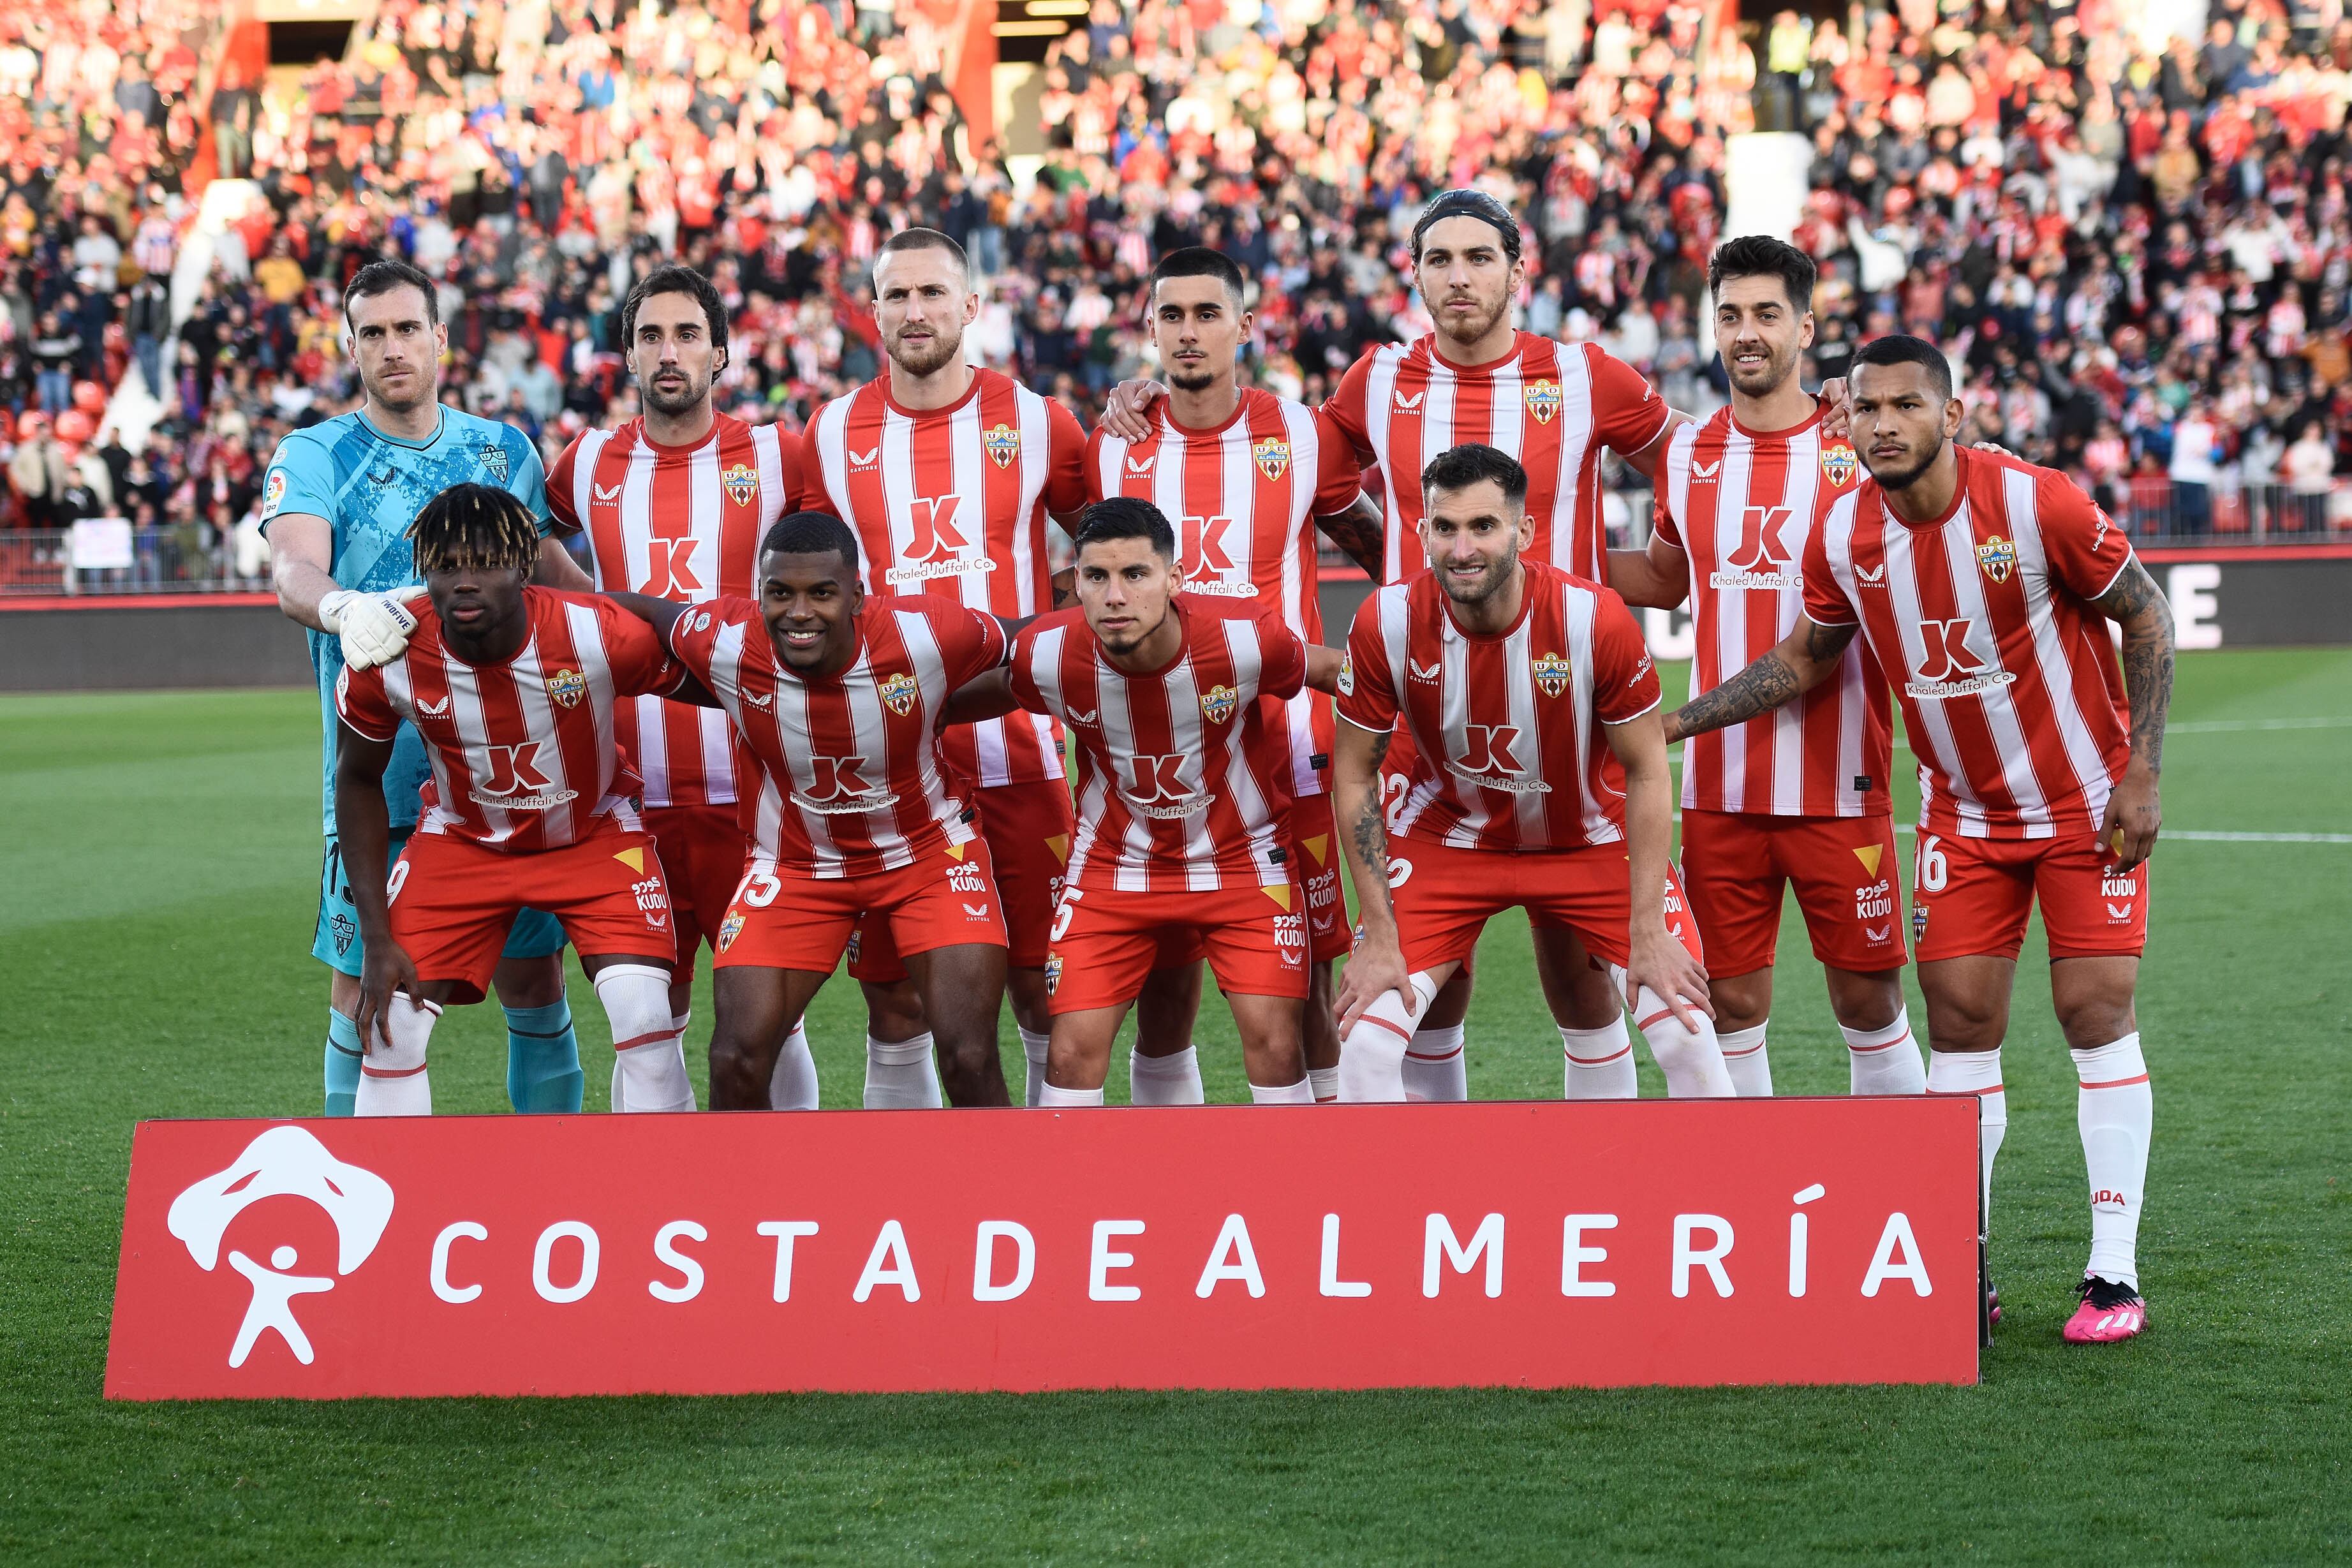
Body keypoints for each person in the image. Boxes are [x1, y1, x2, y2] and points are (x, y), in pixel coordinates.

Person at [1106, 188, 1690, 1101]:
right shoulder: (1375, 383)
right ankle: (1430, 1201)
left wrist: (1628, 572)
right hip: (1426, 732)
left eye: (1478, 257)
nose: (1458, 278)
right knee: (1431, 991)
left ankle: (1600, 1198)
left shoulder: (1584, 377)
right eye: (1438, 260)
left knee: (1585, 988)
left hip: (1569, 733)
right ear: (1413, 274)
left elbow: (1703, 470)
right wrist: (1155, 392)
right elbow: (1306, 478)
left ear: (1516, 269)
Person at [1663, 333, 2175, 1344]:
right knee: (1958, 1026)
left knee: (2091, 1009)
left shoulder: (2037, 503)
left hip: (2080, 806)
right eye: (1865, 408)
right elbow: (1803, 658)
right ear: (1843, 423)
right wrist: (1677, 721)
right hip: (1963, 819)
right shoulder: (1844, 535)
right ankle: (1962, 1265)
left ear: (1952, 416)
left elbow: (2145, 615)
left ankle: (2110, 1273)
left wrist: (2142, 768)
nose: (1883, 423)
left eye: (1905, 405)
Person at [262, 258, 596, 1118]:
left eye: (407, 328)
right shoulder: (316, 452)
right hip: (377, 774)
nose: (391, 347)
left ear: (440, 339)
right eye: (371, 333)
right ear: (350, 346)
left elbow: (564, 586)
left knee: (534, 977)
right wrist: (340, 605)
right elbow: (292, 567)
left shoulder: (504, 451)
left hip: (508, 773)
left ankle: (546, 1186)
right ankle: (359, 1202)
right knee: (362, 992)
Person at [1604, 235, 1925, 1099]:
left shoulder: (1854, 444)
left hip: (1837, 775)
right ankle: (1754, 1201)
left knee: (1865, 1001)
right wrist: (1562, 559)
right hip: (1718, 788)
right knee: (1731, 1002)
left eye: (1765, 315)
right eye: (1730, 315)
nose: (1746, 333)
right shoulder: (1687, 450)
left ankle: (1890, 1197)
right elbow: (1668, 578)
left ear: (1804, 327)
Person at [1331, 443, 1729, 1102]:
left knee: (1686, 1031)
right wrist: (1376, 932)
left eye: (1483, 527)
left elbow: (1648, 772)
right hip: (1446, 841)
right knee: (1367, 1047)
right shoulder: (1386, 621)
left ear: (1524, 531)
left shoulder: (1593, 618)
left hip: (1589, 839)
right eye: (1445, 527)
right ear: (1422, 530)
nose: (1462, 549)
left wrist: (1649, 932)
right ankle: (1413, 1205)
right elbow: (1354, 780)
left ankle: (1710, 1202)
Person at [802, 227, 1091, 1107]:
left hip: (1020, 751)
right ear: (874, 310)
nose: (915, 310)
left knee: (1043, 989)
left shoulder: (1039, 421)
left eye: (933, 293)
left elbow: (1105, 553)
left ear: (971, 306)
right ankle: (915, 1203)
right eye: (897, 294)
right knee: (894, 1001)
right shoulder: (832, 430)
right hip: (892, 764)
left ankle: (1050, 1196)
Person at [1083, 246, 1370, 1104]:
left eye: (1208, 313)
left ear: (1244, 326)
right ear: (1149, 330)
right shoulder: (1110, 446)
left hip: (1289, 757)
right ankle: (1181, 1184)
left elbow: (1382, 550)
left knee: (1317, 970)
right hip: (1150, 769)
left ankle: (1324, 1162)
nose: (1188, 331)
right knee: (1164, 993)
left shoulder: (1303, 434)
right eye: (1170, 315)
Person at [612, 511, 1018, 1109]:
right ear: (759, 594)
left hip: (931, 858)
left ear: (857, 595)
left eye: (821, 593)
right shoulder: (722, 636)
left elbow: (1034, 640)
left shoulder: (927, 631)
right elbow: (639, 610)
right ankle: (756, 1202)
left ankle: (994, 1201)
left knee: (969, 1056)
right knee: (735, 1060)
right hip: (796, 867)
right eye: (780, 593)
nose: (799, 613)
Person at [952, 497, 1341, 1105]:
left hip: (1241, 863)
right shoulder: (1046, 653)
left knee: (1276, 1044)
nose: (1115, 596)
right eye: (1096, 577)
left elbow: (1330, 671)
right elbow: (986, 693)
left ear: (1174, 579)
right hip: (1113, 866)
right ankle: (1080, 1200)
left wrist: (1431, 694)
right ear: (1073, 581)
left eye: (1135, 575)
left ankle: (1282, 1196)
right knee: (1071, 1053)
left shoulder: (1243, 638)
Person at [547, 263, 820, 1113]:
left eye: (687, 334)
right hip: (629, 795)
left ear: (721, 352)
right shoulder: (585, 462)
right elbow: (522, 549)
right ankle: (662, 1204)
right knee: (649, 1025)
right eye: (651, 336)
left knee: (769, 1020)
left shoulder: (779, 453)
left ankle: (787, 1206)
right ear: (625, 357)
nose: (670, 352)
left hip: (757, 788)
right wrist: (580, 601)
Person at [334, 485, 696, 1116]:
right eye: (447, 566)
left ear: (522, 566)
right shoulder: (388, 652)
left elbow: (721, 682)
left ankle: (659, 1200)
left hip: (592, 836)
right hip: (462, 843)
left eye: (485, 563)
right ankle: (393, 1206)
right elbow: (357, 780)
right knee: (392, 1025)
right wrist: (375, 935)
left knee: (644, 1015)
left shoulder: (592, 632)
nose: (464, 582)